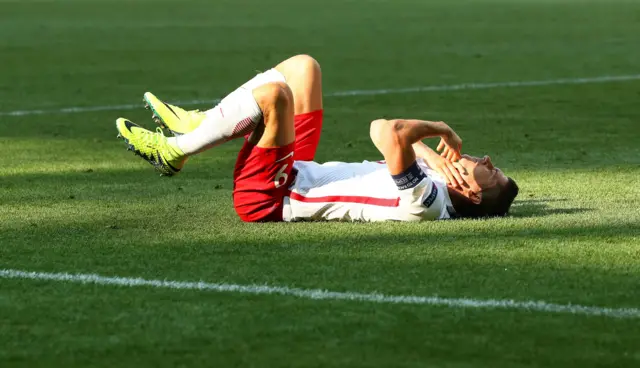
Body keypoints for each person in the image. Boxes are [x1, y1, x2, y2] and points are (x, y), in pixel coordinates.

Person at [115, 54, 518, 222]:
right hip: (297, 171)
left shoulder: (430, 203)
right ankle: (204, 122)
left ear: (475, 196)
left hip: (273, 196)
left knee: (275, 97)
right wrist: (438, 159)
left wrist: (440, 129)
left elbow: (388, 132)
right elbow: (391, 134)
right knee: (304, 68)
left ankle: (175, 152)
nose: (485, 161)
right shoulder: (437, 180)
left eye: (492, 172)